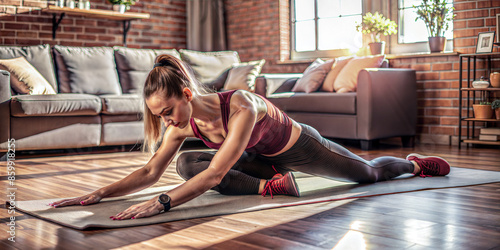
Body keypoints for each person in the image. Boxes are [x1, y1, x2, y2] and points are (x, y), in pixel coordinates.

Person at [49, 54, 451, 220]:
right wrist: (100, 193)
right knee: (187, 162)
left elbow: (216, 173)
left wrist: (164, 203)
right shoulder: (182, 124)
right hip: (261, 160)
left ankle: (411, 164)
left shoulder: (242, 104)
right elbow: (152, 170)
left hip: (298, 147)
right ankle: (271, 186)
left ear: (187, 95)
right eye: (160, 116)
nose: (168, 122)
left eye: (169, 111)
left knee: (368, 175)